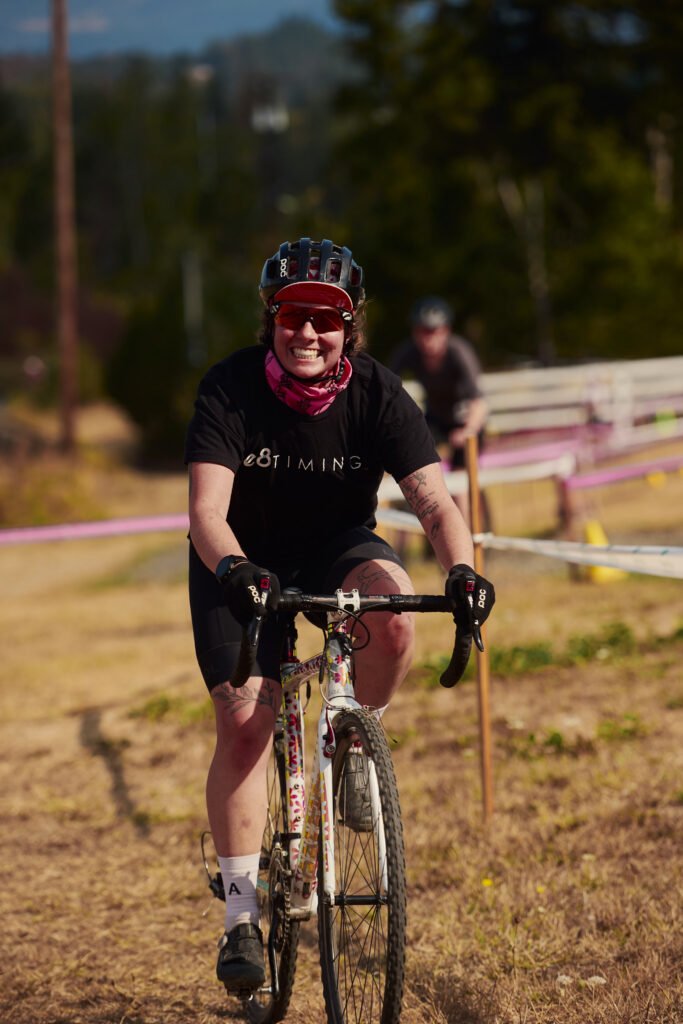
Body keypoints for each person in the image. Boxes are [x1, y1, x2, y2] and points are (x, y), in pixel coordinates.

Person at [184, 238, 495, 992]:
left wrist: (462, 571)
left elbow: (433, 502)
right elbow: (205, 512)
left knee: (394, 617)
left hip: (332, 546)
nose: (308, 333)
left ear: (348, 328)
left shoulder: (379, 392)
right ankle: (239, 917)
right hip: (239, 558)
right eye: (293, 316)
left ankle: (357, 739)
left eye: (326, 320)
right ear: (271, 319)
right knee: (246, 722)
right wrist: (234, 570)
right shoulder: (229, 387)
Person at [390, 296, 487, 519]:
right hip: (435, 418)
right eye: (422, 331)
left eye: (433, 331)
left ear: (445, 331)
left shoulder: (459, 352)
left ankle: (465, 530)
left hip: (465, 420)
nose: (428, 338)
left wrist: (468, 430)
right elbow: (387, 388)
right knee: (414, 467)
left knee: (461, 480)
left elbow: (478, 402)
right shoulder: (408, 352)